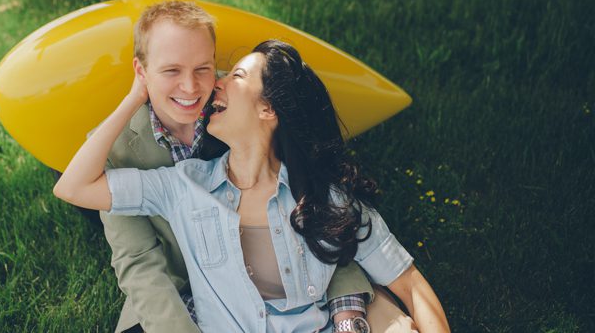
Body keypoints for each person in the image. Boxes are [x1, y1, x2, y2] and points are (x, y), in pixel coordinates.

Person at [55, 37, 450, 332]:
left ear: (268, 108)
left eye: (237, 76)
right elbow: (72, 187)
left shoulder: (325, 202)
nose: (217, 85)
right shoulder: (184, 187)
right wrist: (134, 96)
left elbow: (412, 284)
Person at [93, 1, 378, 333]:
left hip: (268, 280)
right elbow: (138, 260)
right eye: (172, 70)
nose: (190, 86)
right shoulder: (117, 150)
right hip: (174, 291)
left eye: (203, 68)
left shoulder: (239, 101)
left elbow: (313, 196)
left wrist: (347, 303)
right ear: (141, 72)